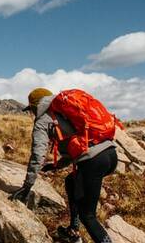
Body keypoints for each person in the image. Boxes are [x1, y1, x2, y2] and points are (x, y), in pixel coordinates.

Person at [10, 88, 118, 243]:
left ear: (35, 106)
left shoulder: (42, 121)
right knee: (71, 181)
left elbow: (37, 155)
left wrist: (27, 186)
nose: (32, 113)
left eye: (31, 109)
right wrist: (56, 166)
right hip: (110, 154)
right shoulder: (65, 110)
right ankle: (73, 231)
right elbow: (77, 146)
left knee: (88, 216)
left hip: (93, 161)